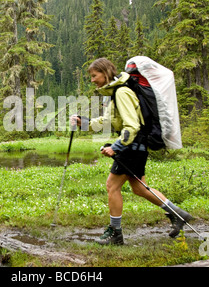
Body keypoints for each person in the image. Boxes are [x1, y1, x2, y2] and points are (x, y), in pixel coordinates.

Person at [71, 58, 192, 246]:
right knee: (139, 187)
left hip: (132, 146)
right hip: (136, 146)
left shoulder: (122, 92)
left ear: (105, 73)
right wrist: (83, 122)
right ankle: (178, 214)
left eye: (95, 76)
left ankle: (115, 233)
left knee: (112, 186)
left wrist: (116, 147)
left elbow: (132, 126)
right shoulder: (115, 93)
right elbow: (106, 121)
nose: (93, 80)